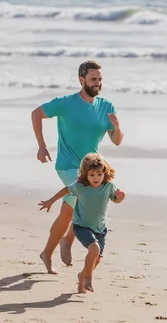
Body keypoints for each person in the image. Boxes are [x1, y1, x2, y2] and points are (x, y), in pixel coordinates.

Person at [31, 60, 123, 274]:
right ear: (81, 80)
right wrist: (42, 146)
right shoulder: (66, 103)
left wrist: (117, 127)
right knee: (82, 196)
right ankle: (67, 241)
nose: (97, 83)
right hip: (68, 165)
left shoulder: (106, 106)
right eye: (93, 79)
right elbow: (36, 114)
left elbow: (117, 140)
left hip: (92, 169)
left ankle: (50, 250)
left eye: (100, 79)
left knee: (67, 212)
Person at [38, 153, 126, 293]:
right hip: (81, 225)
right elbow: (66, 190)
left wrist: (120, 198)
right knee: (94, 249)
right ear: (85, 175)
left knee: (96, 259)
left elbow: (115, 199)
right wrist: (51, 201)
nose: (95, 178)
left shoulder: (108, 186)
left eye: (99, 174)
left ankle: (82, 276)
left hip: (100, 228)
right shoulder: (80, 186)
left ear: (105, 172)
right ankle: (88, 279)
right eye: (91, 175)